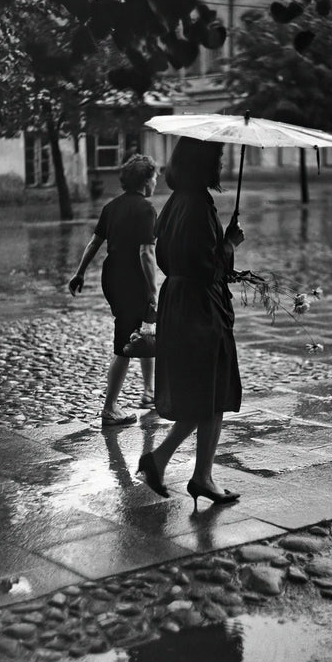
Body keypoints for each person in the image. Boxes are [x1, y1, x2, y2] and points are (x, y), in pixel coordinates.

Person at [136, 137, 245, 507]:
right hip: (201, 307)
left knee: (207, 393)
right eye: (218, 157)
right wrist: (229, 244)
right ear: (203, 163)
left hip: (179, 302)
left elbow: (168, 257)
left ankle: (183, 469)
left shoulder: (176, 203)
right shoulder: (199, 206)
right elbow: (207, 266)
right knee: (210, 393)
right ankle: (193, 473)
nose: (222, 164)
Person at [68, 153, 158, 425]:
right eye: (154, 177)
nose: (156, 181)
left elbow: (94, 243)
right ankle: (110, 407)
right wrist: (153, 292)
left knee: (142, 330)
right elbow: (146, 253)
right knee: (124, 343)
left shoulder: (111, 207)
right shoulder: (146, 209)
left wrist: (79, 272)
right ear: (145, 181)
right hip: (133, 280)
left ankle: (148, 393)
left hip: (112, 277)